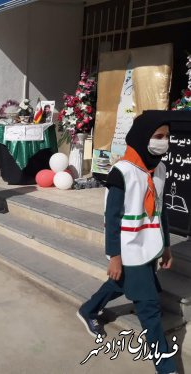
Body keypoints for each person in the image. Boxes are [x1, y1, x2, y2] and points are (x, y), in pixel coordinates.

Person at [77, 110, 177, 374]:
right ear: (143, 136)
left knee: (119, 283)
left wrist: (166, 245)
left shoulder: (160, 169)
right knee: (150, 309)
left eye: (166, 136)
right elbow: (112, 217)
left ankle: (88, 309)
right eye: (158, 136)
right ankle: (166, 367)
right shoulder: (121, 172)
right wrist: (114, 256)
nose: (163, 141)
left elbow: (161, 208)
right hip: (129, 248)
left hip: (149, 245)